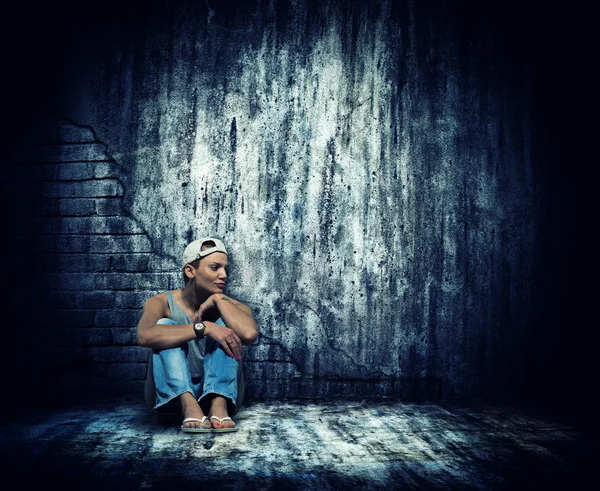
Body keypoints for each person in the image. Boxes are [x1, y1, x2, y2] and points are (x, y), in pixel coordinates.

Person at [137, 237, 258, 433]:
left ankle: (217, 402)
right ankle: (188, 403)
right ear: (190, 271)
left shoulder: (231, 305)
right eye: (215, 267)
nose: (224, 275)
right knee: (164, 324)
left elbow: (249, 334)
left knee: (227, 323)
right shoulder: (161, 302)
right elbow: (144, 336)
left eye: (225, 269)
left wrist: (218, 299)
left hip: (223, 401)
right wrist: (205, 327)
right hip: (169, 399)